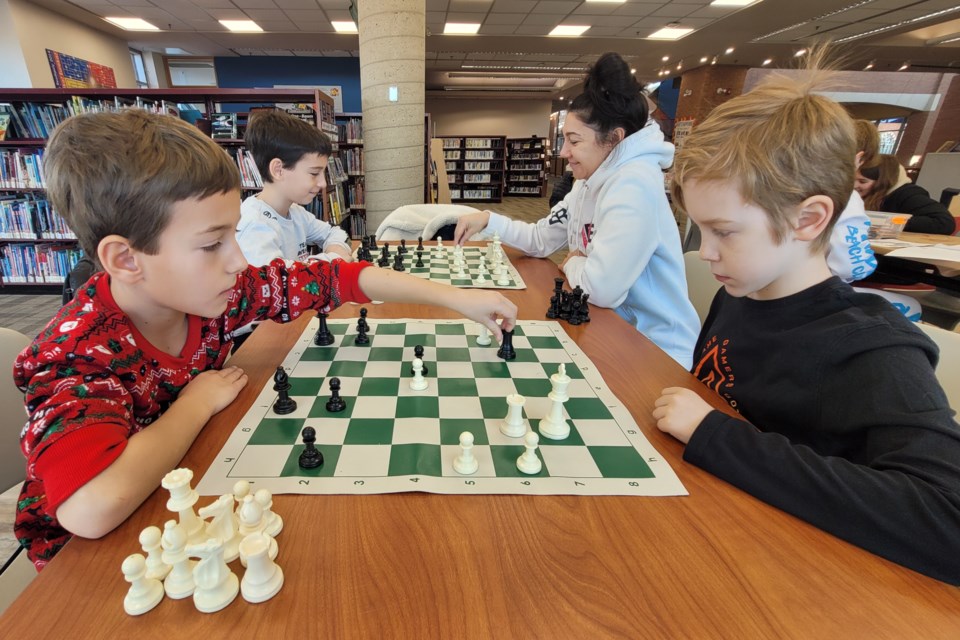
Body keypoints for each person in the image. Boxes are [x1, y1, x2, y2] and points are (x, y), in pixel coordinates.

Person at [13, 109, 517, 570]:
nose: (237, 260)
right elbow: (92, 507)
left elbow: (342, 279)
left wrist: (461, 299)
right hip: (99, 568)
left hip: (189, 506)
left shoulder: (220, 292)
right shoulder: (75, 353)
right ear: (125, 259)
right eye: (213, 244)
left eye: (233, 234)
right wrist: (195, 402)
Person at [652, 64, 960, 584]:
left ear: (809, 219)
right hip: (726, 537)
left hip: (814, 584)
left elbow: (948, 523)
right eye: (701, 229)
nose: (704, 252)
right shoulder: (742, 290)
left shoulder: (872, 350)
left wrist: (718, 436)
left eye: (724, 231)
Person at [454, 52, 699, 368]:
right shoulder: (588, 181)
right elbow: (542, 239)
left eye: (574, 141)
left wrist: (572, 263)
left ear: (613, 139)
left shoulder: (634, 186)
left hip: (655, 348)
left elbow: (601, 289)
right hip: (609, 327)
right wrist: (489, 219)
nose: (564, 152)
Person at [236, 109, 353, 266]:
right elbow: (281, 282)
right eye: (314, 173)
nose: (323, 183)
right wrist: (333, 259)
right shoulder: (255, 227)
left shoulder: (296, 213)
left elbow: (334, 232)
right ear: (278, 170)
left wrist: (335, 249)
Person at [855, 154, 956, 235]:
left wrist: (890, 222)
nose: (854, 186)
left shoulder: (908, 194)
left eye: (862, 182)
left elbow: (945, 222)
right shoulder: (859, 195)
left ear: (882, 182)